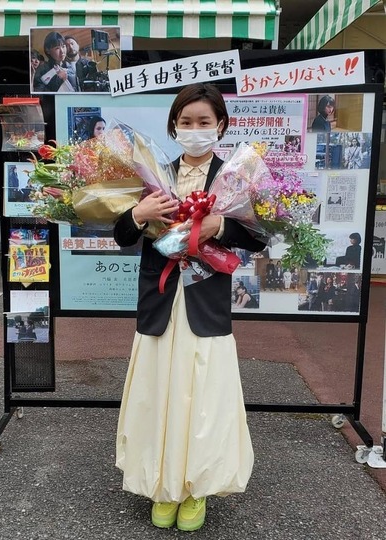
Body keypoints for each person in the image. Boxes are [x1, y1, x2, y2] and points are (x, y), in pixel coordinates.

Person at [113, 83, 266, 532]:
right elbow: (121, 234)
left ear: (221, 126)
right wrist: (139, 214)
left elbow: (259, 236)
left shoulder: (235, 178)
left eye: (204, 121)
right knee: (156, 393)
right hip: (160, 300)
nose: (194, 129)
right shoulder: (152, 173)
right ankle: (161, 487)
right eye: (186, 122)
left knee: (205, 398)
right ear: (174, 127)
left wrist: (221, 225)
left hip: (205, 302)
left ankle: (196, 488)